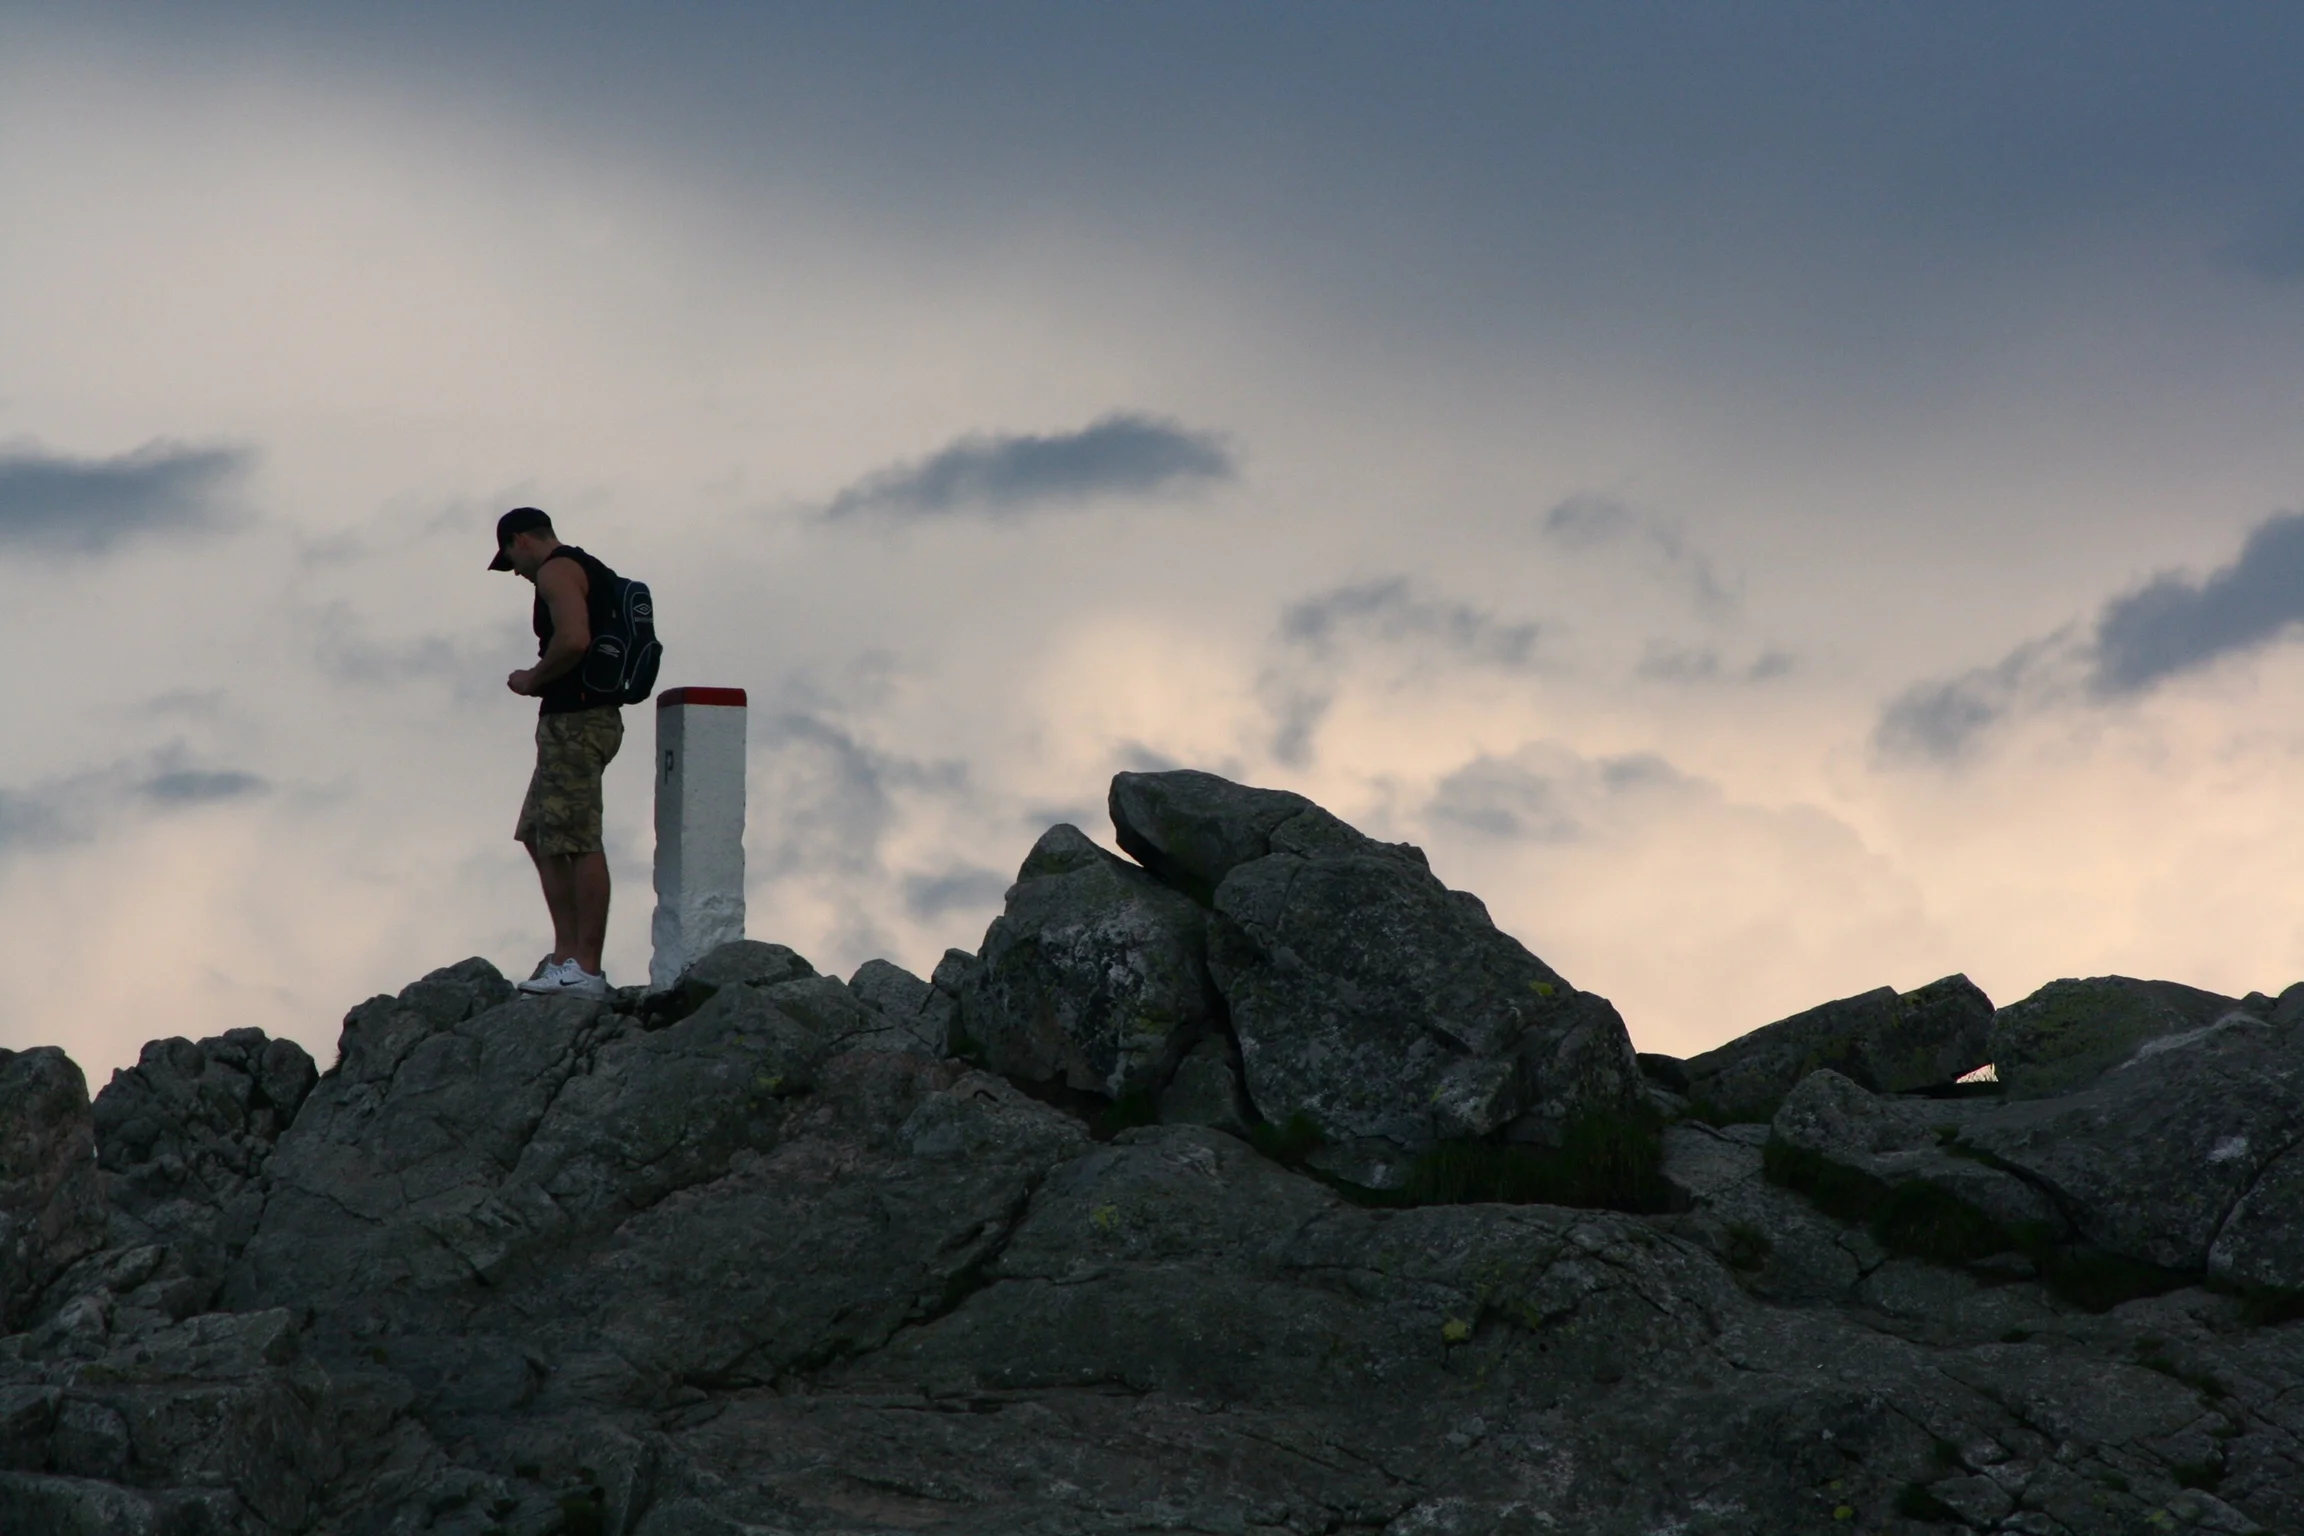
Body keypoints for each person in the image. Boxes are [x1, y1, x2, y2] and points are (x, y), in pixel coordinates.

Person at [490, 506, 626, 997]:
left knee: (577, 837)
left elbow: (572, 639)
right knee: (539, 832)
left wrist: (532, 679)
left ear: (520, 540)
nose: (516, 573)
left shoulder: (555, 571)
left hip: (577, 720)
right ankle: (567, 953)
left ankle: (584, 967)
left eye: (511, 559)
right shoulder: (588, 568)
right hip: (585, 719)